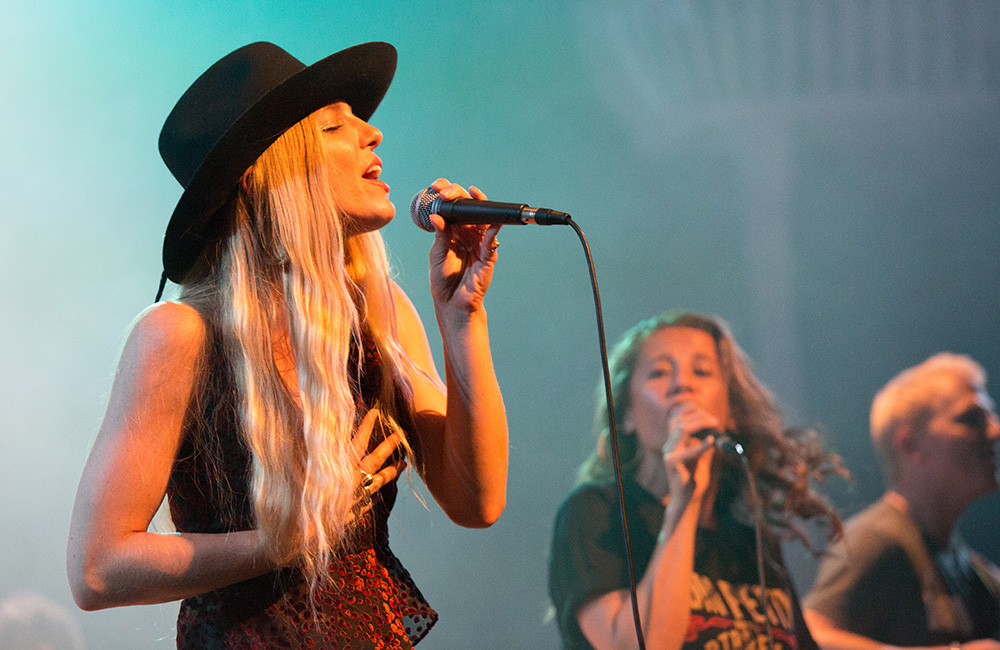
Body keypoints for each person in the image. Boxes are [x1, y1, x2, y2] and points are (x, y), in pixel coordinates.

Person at [66, 41, 509, 649]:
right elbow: (97, 568)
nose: (372, 134)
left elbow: (477, 500)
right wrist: (286, 540)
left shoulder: (379, 318)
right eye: (334, 125)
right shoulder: (180, 336)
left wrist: (463, 322)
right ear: (261, 171)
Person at [549, 311, 845, 650]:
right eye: (659, 373)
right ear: (627, 414)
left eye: (701, 372)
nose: (682, 384)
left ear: (730, 411)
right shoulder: (596, 514)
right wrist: (684, 502)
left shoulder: (750, 543)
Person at [804, 353, 1000, 650]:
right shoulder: (875, 540)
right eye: (971, 419)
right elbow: (811, 637)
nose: (995, 431)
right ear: (910, 445)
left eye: (991, 416)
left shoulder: (970, 568)